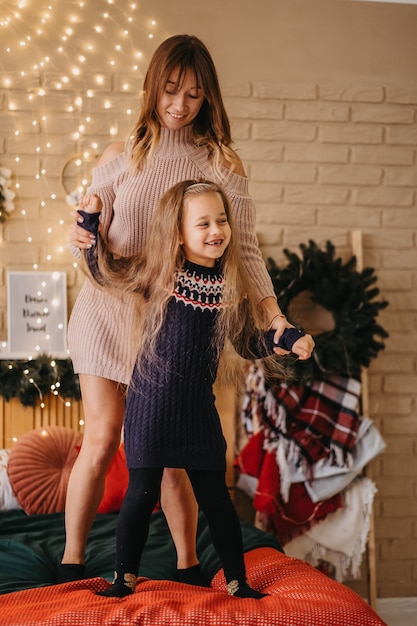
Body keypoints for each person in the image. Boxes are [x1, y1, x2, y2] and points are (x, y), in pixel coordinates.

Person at [63, 34, 315, 584]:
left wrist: (274, 318)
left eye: (194, 95)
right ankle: (72, 563)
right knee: (104, 437)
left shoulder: (220, 162)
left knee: (169, 451)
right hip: (108, 311)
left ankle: (188, 565)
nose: (179, 105)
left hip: (165, 321)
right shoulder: (122, 153)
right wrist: (83, 227)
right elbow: (90, 233)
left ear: (209, 99)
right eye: (170, 90)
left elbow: (245, 250)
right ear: (153, 87)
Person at [77, 180, 308, 599]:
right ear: (179, 233)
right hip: (151, 407)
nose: (215, 229)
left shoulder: (230, 287)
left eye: (221, 220)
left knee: (217, 501)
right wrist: (91, 226)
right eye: (202, 223)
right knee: (140, 495)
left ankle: (238, 581)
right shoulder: (160, 273)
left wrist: (286, 339)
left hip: (198, 411)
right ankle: (123, 578)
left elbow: (247, 341)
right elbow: (105, 270)